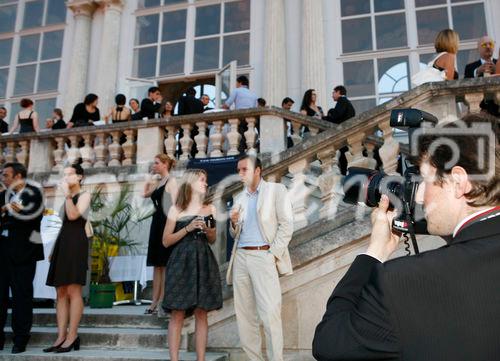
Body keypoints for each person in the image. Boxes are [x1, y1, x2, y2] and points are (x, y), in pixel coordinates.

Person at [312, 113, 500, 361]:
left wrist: (374, 253)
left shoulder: (400, 282)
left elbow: (329, 344)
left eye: (425, 180)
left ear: (459, 181)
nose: (420, 197)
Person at [228, 155, 294, 361]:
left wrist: (272, 254)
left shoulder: (276, 191)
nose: (240, 174)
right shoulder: (239, 198)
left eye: (244, 169)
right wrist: (233, 224)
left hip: (263, 256)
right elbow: (235, 234)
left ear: (258, 170)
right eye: (238, 170)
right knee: (246, 317)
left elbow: (287, 225)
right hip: (240, 257)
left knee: (270, 315)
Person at [162, 169, 222, 361]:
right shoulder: (176, 210)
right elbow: (166, 240)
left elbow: (212, 238)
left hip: (203, 261)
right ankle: (174, 359)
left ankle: (201, 359)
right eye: (201, 180)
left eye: (206, 180)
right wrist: (187, 229)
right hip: (181, 263)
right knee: (177, 313)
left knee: (201, 312)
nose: (205, 183)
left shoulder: (209, 210)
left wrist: (207, 229)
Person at [45, 164, 91, 353]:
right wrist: (55, 248)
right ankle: (61, 336)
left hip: (77, 243)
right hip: (63, 243)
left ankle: (72, 336)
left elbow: (73, 216)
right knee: (60, 292)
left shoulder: (84, 195)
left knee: (73, 290)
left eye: (69, 175)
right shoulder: (67, 198)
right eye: (64, 176)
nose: (65, 179)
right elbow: (63, 224)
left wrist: (67, 195)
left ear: (79, 177)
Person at [0, 162, 44, 354]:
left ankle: (21, 338)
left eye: (6, 175)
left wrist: (9, 209)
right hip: (2, 252)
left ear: (18, 176)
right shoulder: (3, 195)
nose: (3, 178)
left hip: (24, 254)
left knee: (22, 297)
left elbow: (32, 217)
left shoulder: (34, 193)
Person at [142, 154, 177, 315]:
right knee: (157, 265)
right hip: (157, 222)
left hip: (166, 223)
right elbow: (145, 193)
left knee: (164, 263)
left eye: (156, 163)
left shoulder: (172, 181)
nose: (154, 165)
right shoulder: (159, 181)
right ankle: (154, 301)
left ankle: (162, 300)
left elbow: (176, 206)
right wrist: (149, 177)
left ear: (165, 164)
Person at [323, 85, 356, 175]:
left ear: (338, 92)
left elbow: (336, 116)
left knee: (343, 155)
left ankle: (343, 173)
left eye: (333, 93)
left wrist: (325, 117)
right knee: (344, 154)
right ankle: (344, 173)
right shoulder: (347, 102)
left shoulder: (342, 101)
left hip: (343, 134)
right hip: (347, 133)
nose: (332, 95)